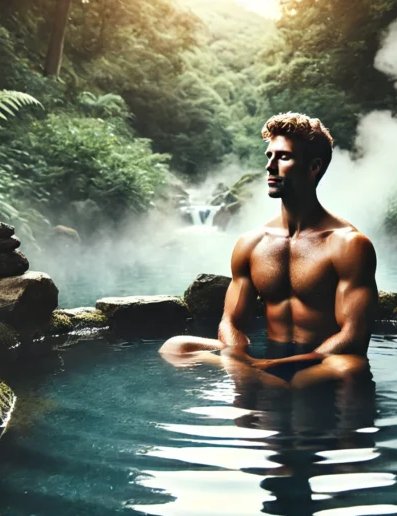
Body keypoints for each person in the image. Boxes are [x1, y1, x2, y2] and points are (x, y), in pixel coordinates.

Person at [160, 112, 378, 389]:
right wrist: (241, 359)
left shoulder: (348, 244)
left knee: (349, 364)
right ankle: (267, 384)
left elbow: (353, 337)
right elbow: (231, 322)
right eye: (268, 156)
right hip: (263, 361)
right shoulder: (251, 243)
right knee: (177, 345)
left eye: (283, 157)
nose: (269, 167)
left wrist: (275, 366)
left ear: (313, 167)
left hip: (321, 362)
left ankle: (280, 384)